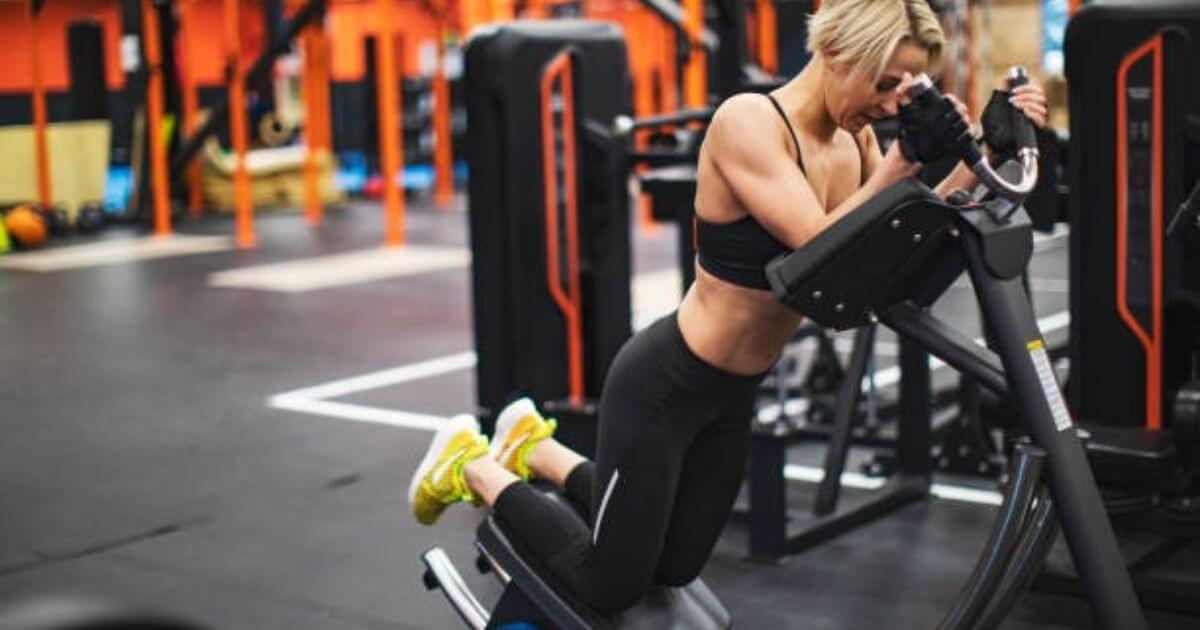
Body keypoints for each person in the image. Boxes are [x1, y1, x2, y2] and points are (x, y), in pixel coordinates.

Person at [408, 0, 1048, 614]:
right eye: (884, 84)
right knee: (610, 584)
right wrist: (905, 162)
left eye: (905, 91)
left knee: (676, 567)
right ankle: (475, 464)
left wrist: (985, 157)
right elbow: (819, 251)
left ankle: (538, 451)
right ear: (832, 51)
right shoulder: (749, 122)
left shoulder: (855, 145)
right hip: (667, 382)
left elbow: (883, 241)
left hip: (736, 391)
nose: (890, 104)